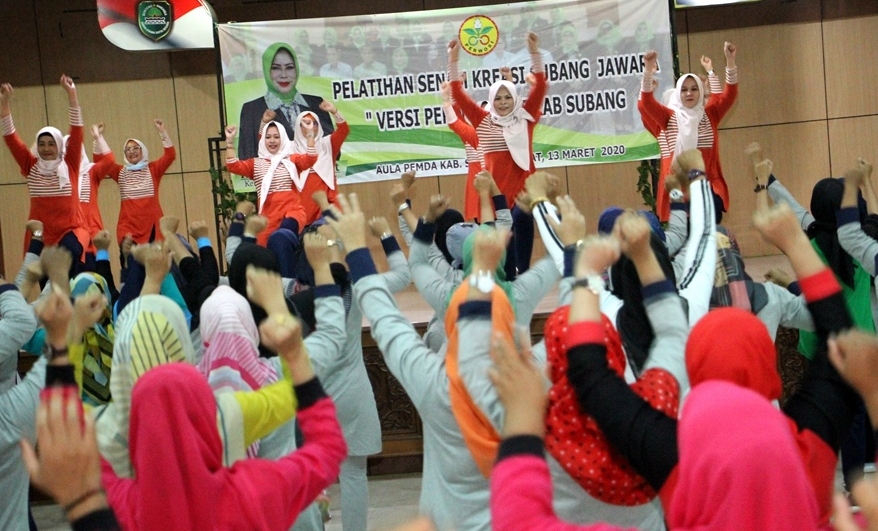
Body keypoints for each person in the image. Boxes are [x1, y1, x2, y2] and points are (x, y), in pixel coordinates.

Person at [448, 32, 548, 273]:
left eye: (507, 97)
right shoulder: (482, 121)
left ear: (514, 99)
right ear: (492, 100)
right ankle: (506, 277)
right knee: (502, 250)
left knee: (521, 226)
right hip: (495, 195)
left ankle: (521, 275)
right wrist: (453, 60)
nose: (503, 102)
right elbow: (458, 94)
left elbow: (541, 86)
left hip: (522, 194)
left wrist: (534, 53)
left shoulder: (526, 118)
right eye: (499, 98)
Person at [638, 43, 738, 222]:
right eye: (683, 90)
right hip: (678, 189)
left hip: (707, 187)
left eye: (694, 89)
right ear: (677, 94)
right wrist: (647, 72)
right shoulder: (668, 118)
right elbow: (645, 106)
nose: (689, 93)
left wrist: (729, 62)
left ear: (700, 92)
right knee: (684, 238)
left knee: (708, 230)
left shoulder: (710, 114)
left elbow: (727, 96)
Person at [1, 75, 87, 259]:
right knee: (44, 285)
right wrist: (5, 103)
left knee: (68, 274)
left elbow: (77, 130)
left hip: (68, 233)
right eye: (42, 144)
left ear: (59, 145)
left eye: (51, 143)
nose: (46, 148)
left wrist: (72, 94)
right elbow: (11, 137)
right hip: (40, 236)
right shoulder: (30, 166)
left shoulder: (70, 163)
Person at [224, 121, 317, 246]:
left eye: (276, 137)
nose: (272, 140)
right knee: (266, 254)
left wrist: (310, 134)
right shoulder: (255, 164)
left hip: (292, 213)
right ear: (263, 140)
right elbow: (233, 166)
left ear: (283, 138)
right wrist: (229, 141)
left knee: (282, 237)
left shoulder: (292, 159)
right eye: (268, 137)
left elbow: (311, 158)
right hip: (267, 219)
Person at [238, 43, 334, 160]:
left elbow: (332, 149)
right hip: (275, 177)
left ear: (297, 69)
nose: (284, 75)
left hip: (314, 175)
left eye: (289, 68)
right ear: (266, 70)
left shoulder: (316, 103)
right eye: (275, 68)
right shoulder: (252, 109)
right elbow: (247, 155)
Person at [105, 119, 176, 244]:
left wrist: (162, 132)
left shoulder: (153, 169)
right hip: (128, 231)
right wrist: (97, 137)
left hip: (153, 230)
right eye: (128, 149)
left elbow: (170, 156)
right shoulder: (120, 172)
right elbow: (102, 161)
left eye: (135, 148)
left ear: (142, 150)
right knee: (131, 263)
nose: (132, 151)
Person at [288, 101, 349, 225]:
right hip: (300, 206)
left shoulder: (327, 144)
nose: (310, 126)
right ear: (298, 127)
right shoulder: (289, 147)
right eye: (305, 123)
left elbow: (343, 131)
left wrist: (334, 111)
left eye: (314, 123)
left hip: (327, 205)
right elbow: (264, 147)